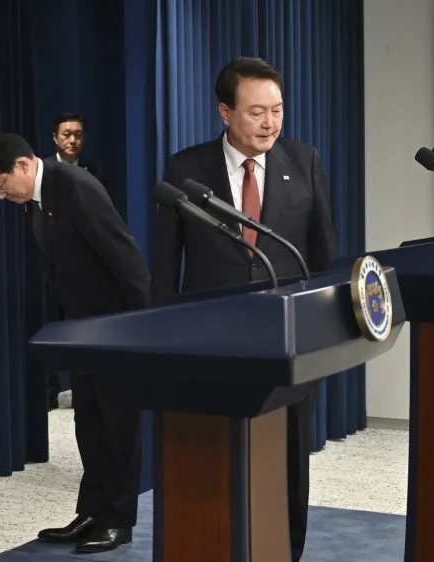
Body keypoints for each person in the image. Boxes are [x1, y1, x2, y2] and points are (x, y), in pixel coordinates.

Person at [151, 56, 337, 562]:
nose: (270, 123)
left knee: (288, 457)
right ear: (225, 113)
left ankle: (287, 551)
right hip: (211, 339)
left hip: (289, 339)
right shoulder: (186, 169)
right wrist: (160, 335)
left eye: (277, 110)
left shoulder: (305, 161)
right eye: (256, 112)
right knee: (213, 452)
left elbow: (322, 257)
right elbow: (166, 264)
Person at [0, 132, 150, 554]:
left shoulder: (75, 187)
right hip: (83, 330)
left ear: (21, 166)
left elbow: (126, 260)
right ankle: (91, 511)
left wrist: (144, 328)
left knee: (119, 425)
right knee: (88, 422)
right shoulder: (38, 197)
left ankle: (118, 520)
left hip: (118, 328)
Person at [48, 112, 102, 181]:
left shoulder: (93, 171)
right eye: (67, 134)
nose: (72, 141)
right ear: (55, 137)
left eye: (78, 135)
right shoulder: (43, 169)